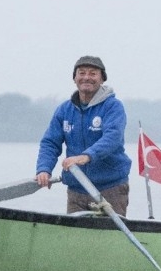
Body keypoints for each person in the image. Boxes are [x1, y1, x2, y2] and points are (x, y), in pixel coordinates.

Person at [35, 55, 132, 216]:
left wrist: (86, 156)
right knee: (74, 238)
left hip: (110, 188)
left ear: (102, 79)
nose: (86, 77)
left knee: (109, 238)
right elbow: (50, 143)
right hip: (76, 189)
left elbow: (112, 138)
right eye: (81, 73)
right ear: (75, 78)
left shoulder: (113, 107)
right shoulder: (64, 110)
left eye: (93, 73)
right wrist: (44, 169)